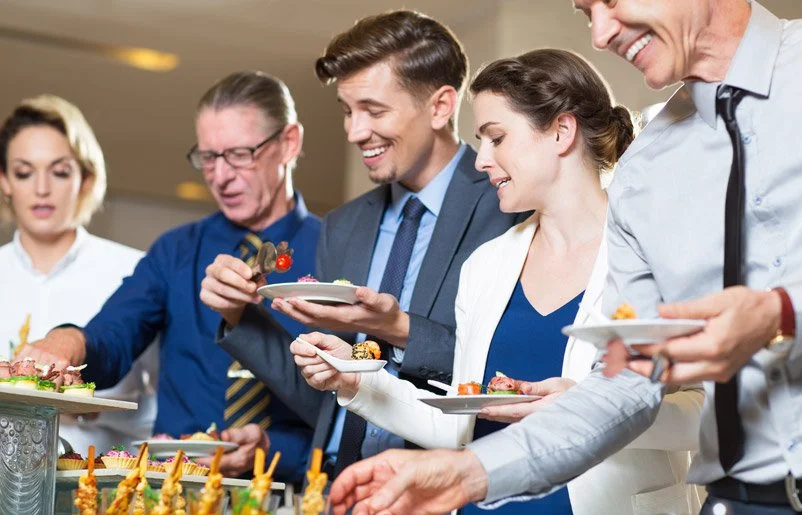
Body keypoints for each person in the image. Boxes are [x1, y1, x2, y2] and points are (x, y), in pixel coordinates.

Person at [327, 1, 802, 514]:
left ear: (561, 131)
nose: (599, 35)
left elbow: (688, 398)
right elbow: (626, 389)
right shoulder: (649, 170)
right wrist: (461, 470)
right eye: (585, 12)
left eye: (610, 2)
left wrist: (783, 313)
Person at [296, 49, 703, 514]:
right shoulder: (487, 264)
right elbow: (460, 423)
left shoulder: (656, 251)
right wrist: (355, 382)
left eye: (496, 138)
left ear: (560, 131)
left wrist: (589, 412)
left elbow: (710, 413)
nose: (481, 160)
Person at [202, 10, 523, 477]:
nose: (354, 131)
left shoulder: (508, 207)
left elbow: (514, 373)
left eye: (373, 110)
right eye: (348, 111)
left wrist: (399, 328)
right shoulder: (344, 225)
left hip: (435, 486)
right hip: (335, 486)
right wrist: (240, 316)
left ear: (440, 106)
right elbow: (327, 396)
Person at [19, 72, 320, 483]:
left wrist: (275, 449)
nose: (221, 176)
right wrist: (66, 342)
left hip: (299, 492)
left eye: (239, 154)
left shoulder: (339, 247)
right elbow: (114, 334)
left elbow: (358, 403)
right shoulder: (175, 251)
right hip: (180, 491)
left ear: (289, 143)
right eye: (208, 157)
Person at [0, 94, 158, 456]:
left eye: (59, 171)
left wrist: (88, 411)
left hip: (104, 492)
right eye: (24, 172)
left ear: (85, 177)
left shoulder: (136, 271)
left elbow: (167, 408)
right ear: (5, 180)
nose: (41, 188)